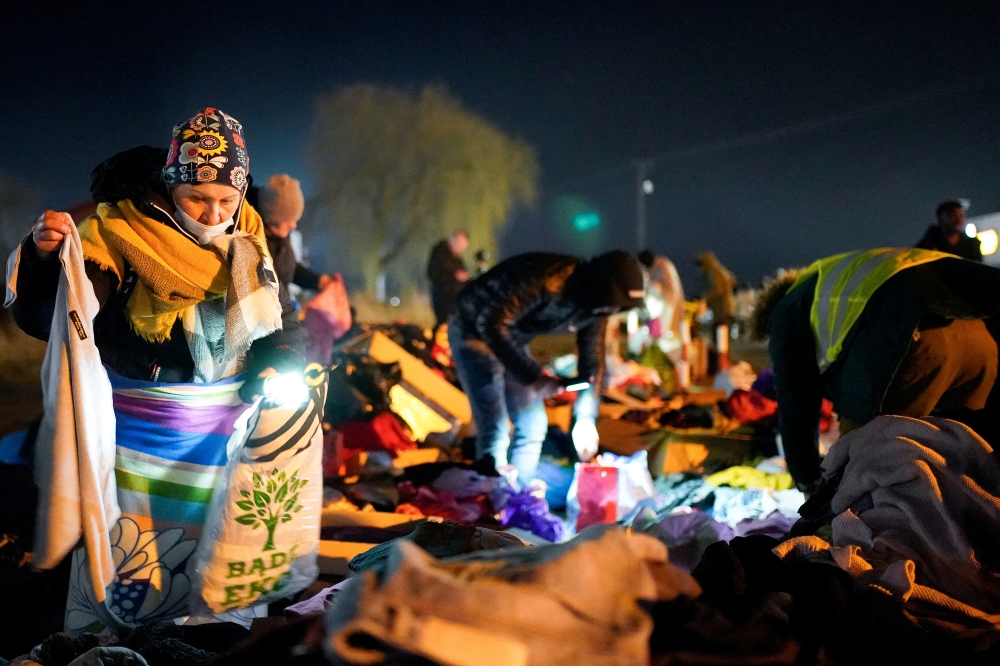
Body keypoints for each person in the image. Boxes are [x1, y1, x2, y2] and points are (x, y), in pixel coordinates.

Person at [8, 108, 308, 633]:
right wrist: (40, 261)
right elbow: (59, 315)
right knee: (130, 555)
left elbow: (276, 324)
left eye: (226, 201)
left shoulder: (255, 238)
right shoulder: (118, 234)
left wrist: (281, 362)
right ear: (171, 187)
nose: (214, 214)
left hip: (219, 438)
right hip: (135, 439)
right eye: (197, 198)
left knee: (213, 559)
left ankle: (212, 633)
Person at [752, 247, 1000, 491]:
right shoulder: (832, 277)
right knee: (967, 458)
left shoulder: (788, 308)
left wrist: (806, 480)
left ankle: (856, 526)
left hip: (912, 338)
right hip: (977, 339)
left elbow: (796, 397)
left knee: (859, 465)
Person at [448, 250, 645, 484]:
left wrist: (585, 418)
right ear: (600, 286)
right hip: (473, 332)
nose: (613, 313)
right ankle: (490, 498)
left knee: (533, 423)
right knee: (496, 429)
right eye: (612, 306)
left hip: (511, 338)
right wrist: (533, 378)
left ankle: (519, 499)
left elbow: (592, 360)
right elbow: (491, 322)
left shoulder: (598, 304)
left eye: (617, 308)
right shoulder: (547, 279)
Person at [248, 174, 333, 302]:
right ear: (270, 217)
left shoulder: (279, 233)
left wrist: (317, 281)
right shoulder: (248, 239)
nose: (294, 225)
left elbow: (288, 268)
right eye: (288, 220)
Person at [427, 230, 470, 328]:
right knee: (444, 324)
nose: (460, 248)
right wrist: (455, 275)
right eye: (459, 244)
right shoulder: (439, 252)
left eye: (463, 247)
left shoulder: (457, 259)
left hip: (454, 299)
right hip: (443, 297)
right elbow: (434, 272)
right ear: (452, 239)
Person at [916, 199, 982, 262]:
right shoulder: (927, 246)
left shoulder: (971, 245)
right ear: (941, 218)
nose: (958, 220)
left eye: (961, 216)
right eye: (953, 216)